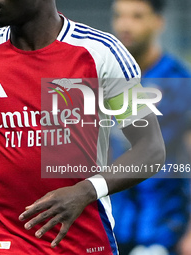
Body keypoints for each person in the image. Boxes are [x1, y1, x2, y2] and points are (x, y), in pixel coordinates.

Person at [0, 1, 165, 254]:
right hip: (5, 238)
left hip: (85, 240)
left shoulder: (101, 54)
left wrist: (86, 191)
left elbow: (151, 148)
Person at [110, 0, 191, 254]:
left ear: (158, 22)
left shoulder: (180, 82)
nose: (125, 25)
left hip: (160, 232)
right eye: (120, 16)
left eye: (137, 16)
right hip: (109, 228)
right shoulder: (104, 78)